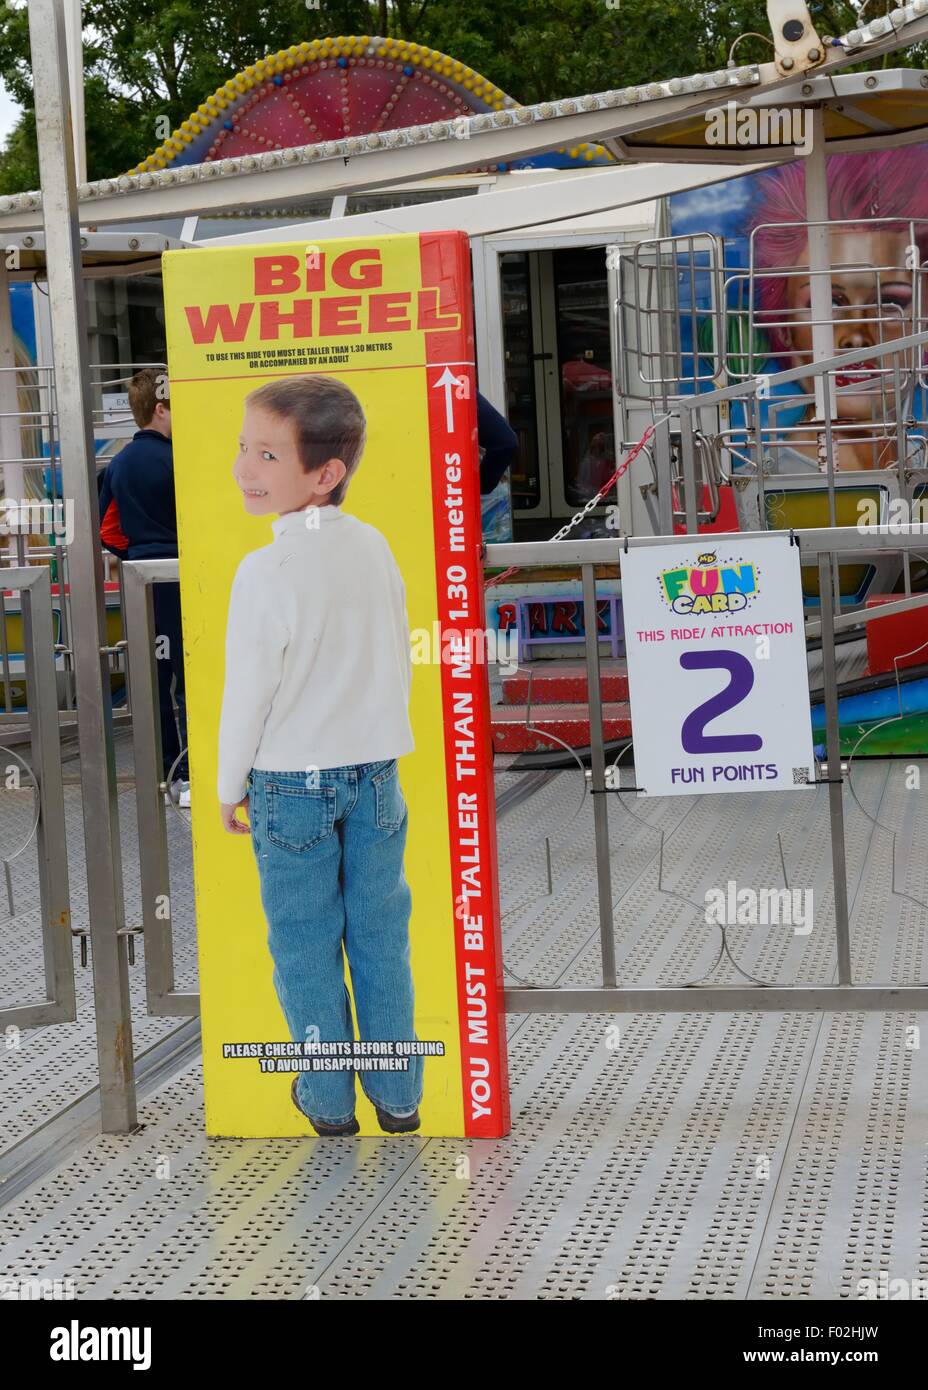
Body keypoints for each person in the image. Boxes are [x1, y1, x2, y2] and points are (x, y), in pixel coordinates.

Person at [217, 374, 422, 1137]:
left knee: (304, 949)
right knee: (380, 937)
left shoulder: (265, 570)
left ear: (324, 473)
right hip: (377, 775)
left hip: (288, 784)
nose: (244, 468)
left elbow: (250, 691)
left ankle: (328, 1100)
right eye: (244, 447)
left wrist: (225, 784)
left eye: (267, 454)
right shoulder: (373, 546)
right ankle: (399, 1095)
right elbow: (393, 657)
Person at [99, 368, 189, 804]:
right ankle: (192, 768)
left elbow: (106, 530)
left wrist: (134, 556)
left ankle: (166, 771)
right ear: (160, 409)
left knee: (155, 679)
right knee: (190, 676)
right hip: (183, 576)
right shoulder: (180, 459)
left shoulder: (117, 464)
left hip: (139, 581)